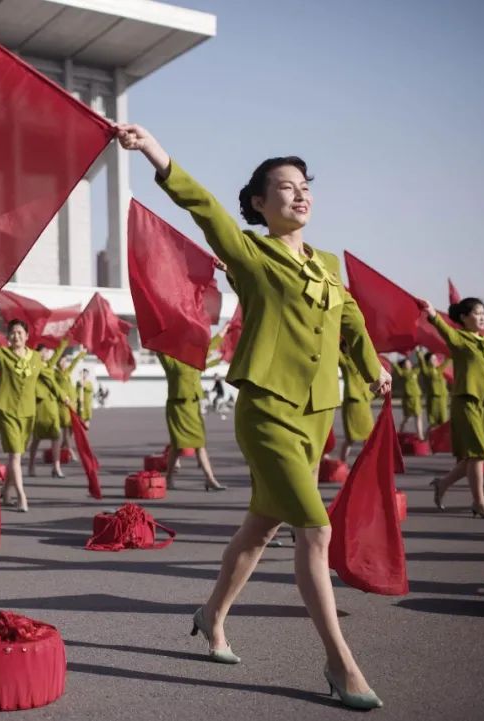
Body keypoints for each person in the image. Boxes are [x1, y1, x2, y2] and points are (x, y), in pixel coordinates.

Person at [118, 123, 390, 710]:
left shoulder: (329, 267)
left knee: (262, 527)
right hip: (267, 409)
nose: (300, 194)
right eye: (285, 188)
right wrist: (156, 153)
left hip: (317, 412)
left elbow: (352, 324)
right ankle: (341, 664)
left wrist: (371, 366)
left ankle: (211, 614)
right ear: (261, 204)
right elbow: (207, 211)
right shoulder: (252, 252)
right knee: (314, 529)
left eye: (305, 186)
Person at [421, 297, 484, 519]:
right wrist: (432, 314)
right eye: (476, 313)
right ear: (463, 317)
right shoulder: (460, 339)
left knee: (473, 456)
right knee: (478, 453)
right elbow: (445, 330)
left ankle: (442, 484)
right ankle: (479, 502)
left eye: (483, 314)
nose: (482, 317)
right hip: (466, 401)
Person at [0, 319, 60, 512]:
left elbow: (48, 377)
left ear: (27, 336)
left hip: (28, 412)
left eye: (20, 333)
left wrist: (63, 397)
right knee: (15, 454)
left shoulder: (36, 358)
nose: (16, 336)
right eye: (13, 333)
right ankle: (22, 496)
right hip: (6, 410)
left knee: (17, 456)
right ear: (8, 336)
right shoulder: (3, 354)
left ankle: (5, 492)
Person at [157, 352, 225, 491]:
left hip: (193, 407)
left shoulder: (196, 361)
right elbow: (160, 350)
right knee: (177, 446)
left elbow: (208, 348)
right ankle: (169, 478)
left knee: (200, 443)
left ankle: (210, 479)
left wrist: (223, 333)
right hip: (177, 407)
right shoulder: (172, 361)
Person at [27, 339, 69, 478]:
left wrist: (65, 341)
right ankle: (31, 466)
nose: (46, 353)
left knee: (56, 436)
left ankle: (56, 467)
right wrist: (63, 395)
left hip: (51, 404)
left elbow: (56, 355)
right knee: (37, 438)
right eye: (44, 351)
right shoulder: (35, 366)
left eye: (46, 351)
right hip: (39, 405)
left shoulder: (48, 366)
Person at [337, 343, 374, 465]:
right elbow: (336, 354)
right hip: (352, 402)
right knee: (350, 439)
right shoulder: (345, 361)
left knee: (369, 437)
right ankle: (342, 464)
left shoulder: (361, 361)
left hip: (364, 402)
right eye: (348, 345)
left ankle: (369, 464)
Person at [56, 346, 87, 461]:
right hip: (63, 406)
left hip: (72, 405)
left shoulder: (66, 372)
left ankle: (60, 449)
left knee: (70, 430)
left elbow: (73, 364)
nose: (64, 363)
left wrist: (81, 354)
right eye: (61, 361)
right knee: (65, 430)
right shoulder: (55, 374)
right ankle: (70, 451)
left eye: (65, 361)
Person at [393, 357, 424, 439]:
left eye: (409, 362)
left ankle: (420, 435)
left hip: (416, 396)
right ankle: (400, 431)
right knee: (407, 417)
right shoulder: (402, 373)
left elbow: (421, 366)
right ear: (403, 366)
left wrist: (419, 356)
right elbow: (397, 368)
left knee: (418, 415)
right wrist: (393, 361)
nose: (409, 364)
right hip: (408, 398)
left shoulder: (414, 372)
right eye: (406, 363)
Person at [417, 351, 450, 427]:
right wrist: (419, 353)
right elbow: (422, 363)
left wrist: (448, 350)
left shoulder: (440, 369)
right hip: (433, 399)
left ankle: (441, 438)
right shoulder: (427, 371)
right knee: (433, 423)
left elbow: (448, 360)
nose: (435, 360)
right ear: (428, 361)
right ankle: (429, 438)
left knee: (443, 421)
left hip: (442, 398)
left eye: (435, 358)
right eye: (433, 359)